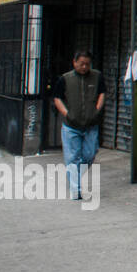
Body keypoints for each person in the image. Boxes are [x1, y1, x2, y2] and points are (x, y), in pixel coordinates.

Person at [52, 50, 106, 201]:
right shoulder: (65, 79)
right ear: (74, 62)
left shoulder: (97, 76)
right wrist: (67, 114)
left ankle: (73, 172)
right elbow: (57, 98)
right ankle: (76, 189)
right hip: (71, 125)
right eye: (81, 64)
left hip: (90, 124)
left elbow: (102, 93)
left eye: (87, 64)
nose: (84, 67)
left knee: (90, 154)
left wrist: (96, 110)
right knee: (72, 157)